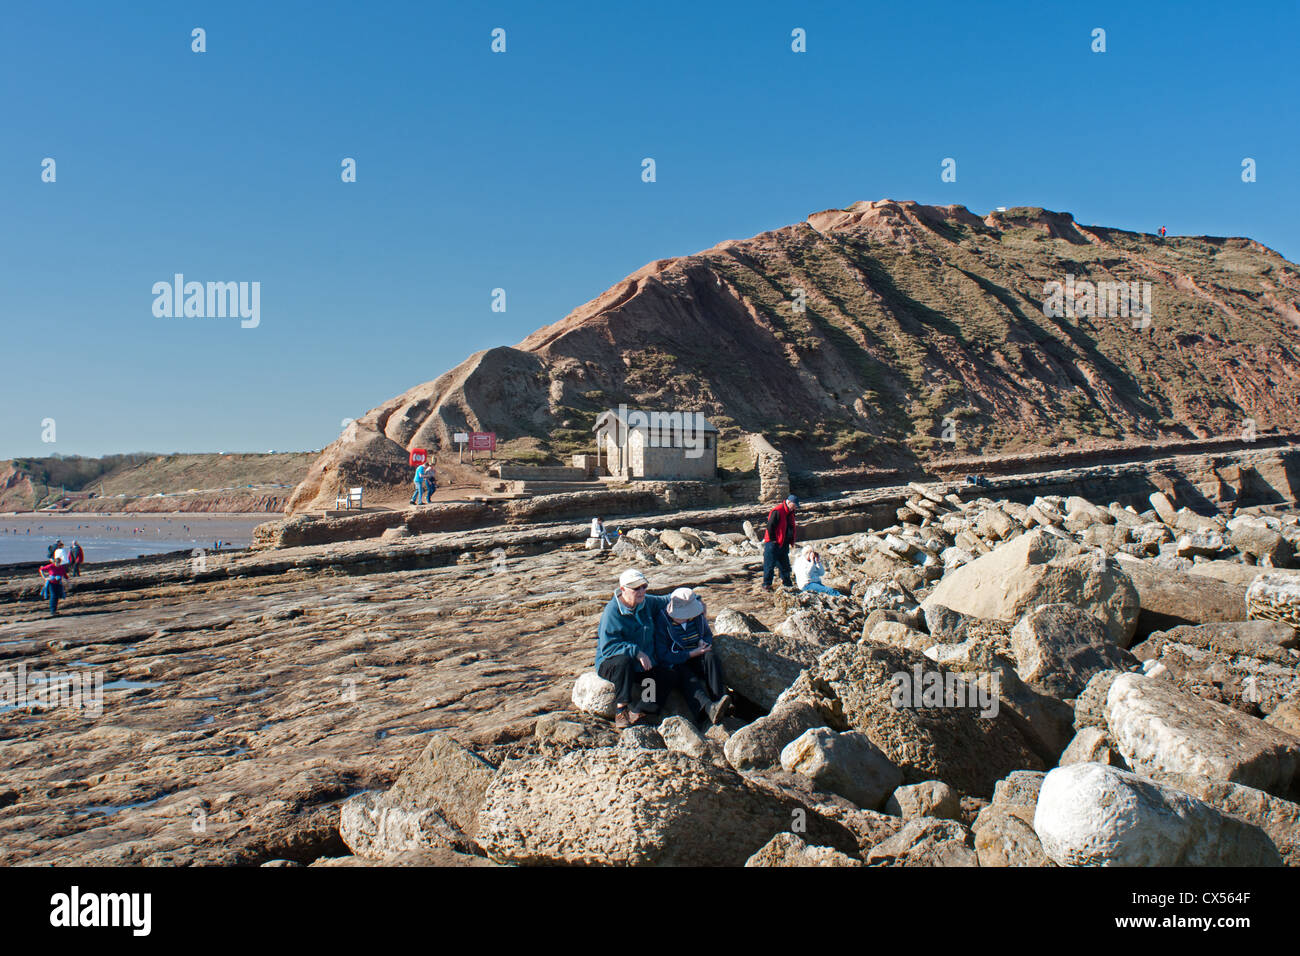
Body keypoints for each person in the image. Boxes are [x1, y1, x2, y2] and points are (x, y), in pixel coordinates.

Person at [595, 568, 671, 729]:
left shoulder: (646, 602)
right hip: (611, 663)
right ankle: (621, 710)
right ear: (623, 590)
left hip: (641, 664)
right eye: (636, 588)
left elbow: (667, 599)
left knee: (665, 675)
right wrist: (637, 652)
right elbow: (608, 647)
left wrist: (693, 599)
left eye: (644, 586)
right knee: (625, 662)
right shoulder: (612, 612)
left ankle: (641, 710)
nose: (642, 591)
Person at [653, 587, 732, 724]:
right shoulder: (662, 621)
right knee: (686, 676)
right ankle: (707, 709)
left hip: (697, 654)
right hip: (676, 661)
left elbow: (707, 634)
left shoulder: (697, 617)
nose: (684, 618)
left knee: (711, 658)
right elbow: (663, 654)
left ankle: (719, 701)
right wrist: (690, 654)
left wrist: (703, 642)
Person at [761, 495, 799, 590]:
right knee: (770, 564)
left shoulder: (790, 512)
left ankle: (787, 584)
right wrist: (773, 539)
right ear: (789, 502)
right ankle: (767, 584)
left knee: (785, 565)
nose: (795, 508)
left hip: (784, 543)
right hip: (773, 544)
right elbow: (770, 526)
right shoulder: (777, 511)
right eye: (794, 505)